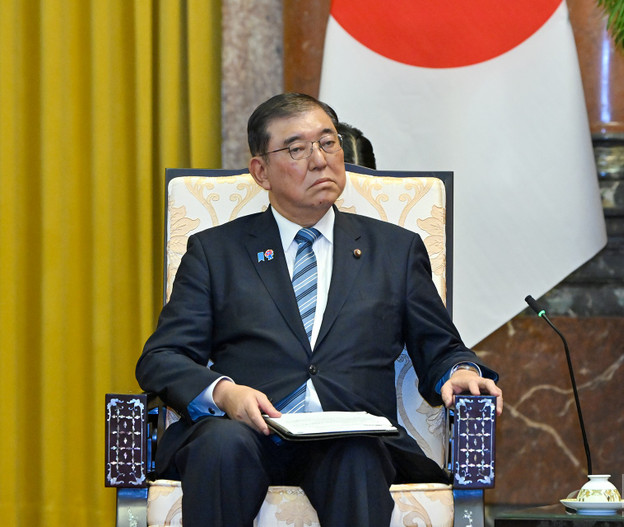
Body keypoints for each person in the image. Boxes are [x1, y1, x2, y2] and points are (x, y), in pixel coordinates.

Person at [136, 92, 503, 527]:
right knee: (220, 446)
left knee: (356, 453)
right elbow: (162, 358)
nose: (319, 160)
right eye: (296, 149)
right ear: (261, 171)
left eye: (328, 143)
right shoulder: (216, 252)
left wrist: (460, 372)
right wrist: (223, 393)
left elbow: (439, 346)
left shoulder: (395, 250)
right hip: (246, 432)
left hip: (350, 436)